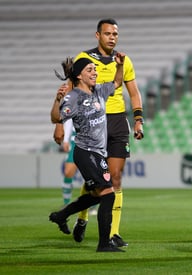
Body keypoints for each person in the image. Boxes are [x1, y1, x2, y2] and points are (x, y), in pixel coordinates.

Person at [72, 18, 144, 247]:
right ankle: (82, 217)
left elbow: (133, 93)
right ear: (97, 35)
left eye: (115, 34)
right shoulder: (83, 59)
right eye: (107, 34)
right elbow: (73, 93)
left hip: (117, 121)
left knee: (115, 178)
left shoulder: (124, 60)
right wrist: (60, 125)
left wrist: (139, 120)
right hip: (94, 122)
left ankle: (113, 233)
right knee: (98, 179)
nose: (112, 37)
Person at [49, 54, 126, 252]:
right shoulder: (72, 97)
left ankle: (62, 215)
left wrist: (120, 65)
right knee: (108, 194)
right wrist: (57, 100)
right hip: (85, 151)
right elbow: (56, 118)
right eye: (90, 70)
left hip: (98, 153)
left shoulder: (99, 91)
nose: (95, 73)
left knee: (97, 195)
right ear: (80, 75)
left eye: (95, 69)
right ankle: (103, 244)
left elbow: (118, 82)